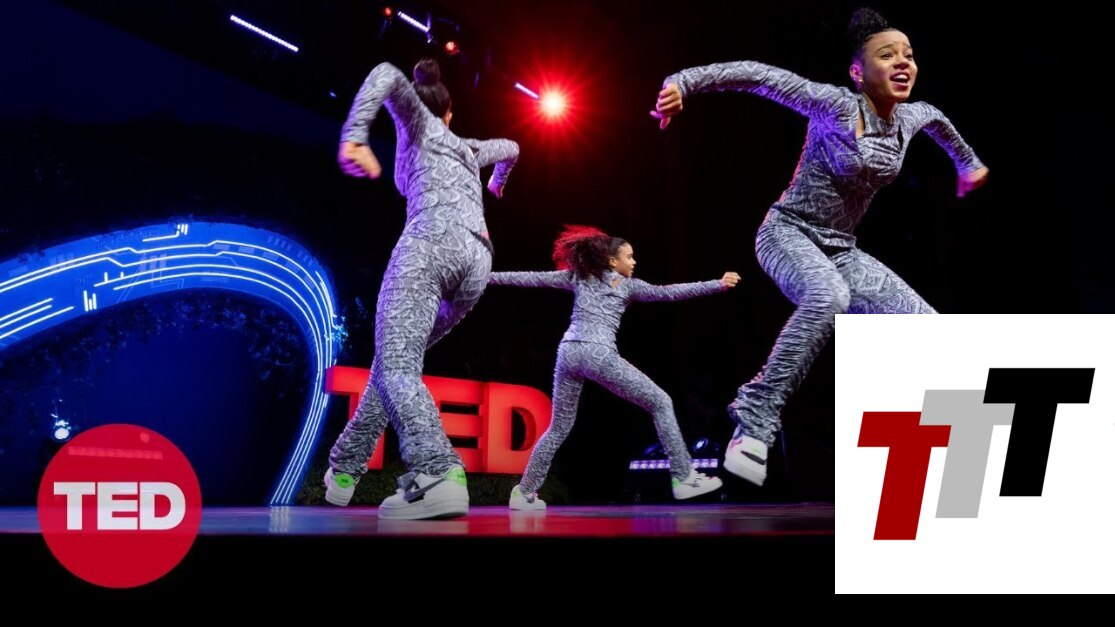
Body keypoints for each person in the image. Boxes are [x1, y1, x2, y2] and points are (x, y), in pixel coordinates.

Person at [651, 8, 988, 486]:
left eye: (908, 55)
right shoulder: (833, 105)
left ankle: (931, 448)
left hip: (841, 249)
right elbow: (757, 76)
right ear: (857, 73)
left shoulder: (913, 115)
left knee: (929, 328)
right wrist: (684, 83)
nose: (902, 62)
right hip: (787, 234)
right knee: (829, 295)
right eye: (886, 55)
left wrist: (968, 165)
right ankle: (754, 420)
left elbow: (940, 124)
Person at [324, 59, 519, 520]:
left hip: (431, 245)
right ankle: (346, 468)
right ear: (451, 112)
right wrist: (496, 183)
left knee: (398, 364)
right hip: (477, 263)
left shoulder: (420, 124)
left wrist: (354, 137)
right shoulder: (469, 148)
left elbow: (387, 74)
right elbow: (512, 147)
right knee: (395, 362)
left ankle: (437, 473)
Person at [488, 225, 738, 509]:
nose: (634, 261)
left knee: (558, 428)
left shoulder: (579, 276)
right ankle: (684, 477)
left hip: (568, 353)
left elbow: (529, 278)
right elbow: (669, 293)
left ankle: (524, 492)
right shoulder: (627, 285)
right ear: (611, 260)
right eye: (628, 257)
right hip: (597, 354)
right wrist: (716, 284)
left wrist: (486, 277)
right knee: (660, 402)